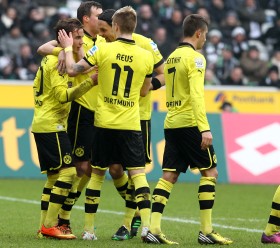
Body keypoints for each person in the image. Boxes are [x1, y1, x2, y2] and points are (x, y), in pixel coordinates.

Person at [58, 6, 157, 242]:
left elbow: (72, 71)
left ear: (115, 26)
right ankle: (146, 227)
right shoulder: (146, 55)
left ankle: (89, 230)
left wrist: (65, 49)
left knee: (97, 175)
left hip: (104, 122)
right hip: (131, 122)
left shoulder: (102, 50)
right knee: (138, 174)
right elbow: (145, 90)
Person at [145, 14, 233, 245]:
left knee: (169, 176)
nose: (205, 40)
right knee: (210, 173)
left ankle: (153, 228)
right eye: (205, 35)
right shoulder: (196, 58)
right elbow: (196, 95)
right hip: (190, 124)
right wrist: (204, 128)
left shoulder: (172, 57)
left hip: (171, 123)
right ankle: (207, 231)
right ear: (198, 33)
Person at [96, 8, 165, 240]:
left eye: (105, 30)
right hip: (110, 117)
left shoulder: (146, 44)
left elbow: (164, 74)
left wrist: (146, 88)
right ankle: (136, 207)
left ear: (116, 25)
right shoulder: (106, 47)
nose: (103, 35)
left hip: (138, 117)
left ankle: (128, 222)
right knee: (115, 170)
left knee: (136, 171)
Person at [37, 1, 105, 232]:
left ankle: (50, 222)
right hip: (77, 111)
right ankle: (59, 219)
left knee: (86, 168)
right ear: (86, 19)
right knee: (73, 170)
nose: (102, 18)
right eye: (98, 15)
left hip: (98, 112)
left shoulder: (101, 41)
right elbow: (72, 68)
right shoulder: (67, 49)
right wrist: (64, 50)